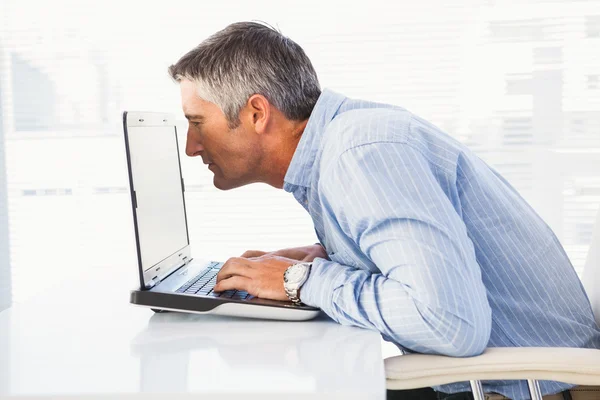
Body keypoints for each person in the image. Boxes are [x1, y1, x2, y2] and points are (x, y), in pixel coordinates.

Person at [167, 21, 600, 400]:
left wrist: (299, 280)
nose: (190, 147)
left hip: (531, 389)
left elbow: (450, 323)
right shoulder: (349, 140)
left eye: (197, 122)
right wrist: (326, 256)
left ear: (256, 113)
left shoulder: (361, 154)